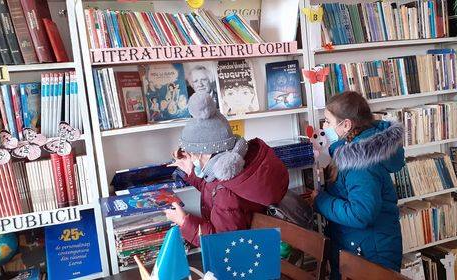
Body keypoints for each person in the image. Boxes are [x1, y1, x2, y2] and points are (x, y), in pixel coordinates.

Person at [165, 92, 289, 245]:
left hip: (242, 258)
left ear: (202, 155)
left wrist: (184, 222)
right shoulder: (232, 168)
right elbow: (212, 187)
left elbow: (222, 242)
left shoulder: (225, 192)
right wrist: (191, 173)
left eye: (192, 155)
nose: (191, 159)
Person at [311, 91, 404, 279]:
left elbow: (361, 214)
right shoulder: (352, 151)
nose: (324, 126)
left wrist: (320, 201)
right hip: (359, 245)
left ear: (346, 125)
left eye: (328, 121)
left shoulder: (360, 163)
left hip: (370, 252)